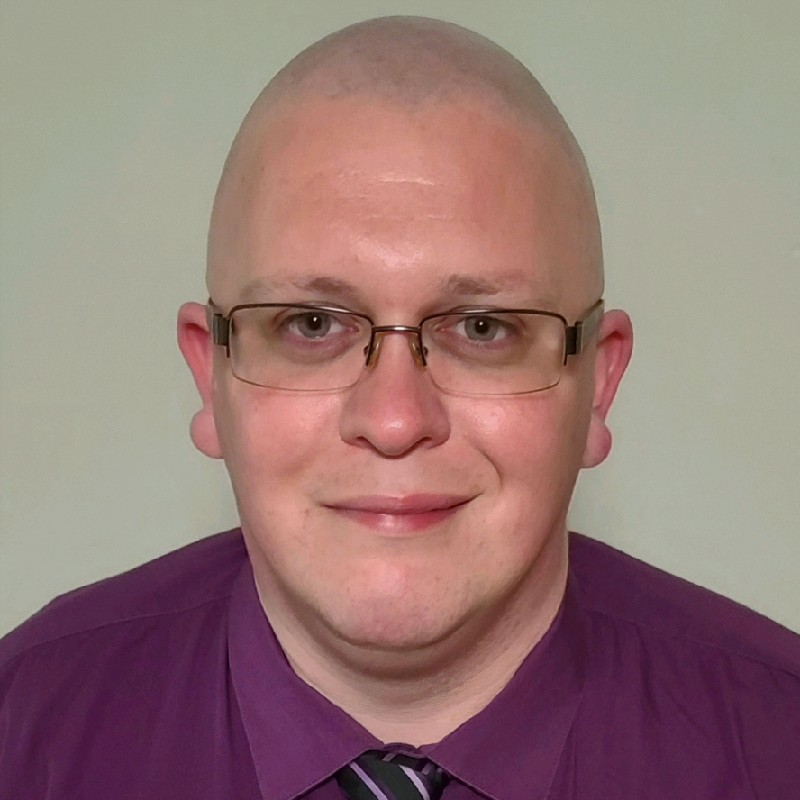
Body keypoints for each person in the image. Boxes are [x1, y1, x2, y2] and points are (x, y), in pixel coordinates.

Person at [1, 15, 798, 799]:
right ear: (212, 376)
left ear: (599, 382)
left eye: (482, 328)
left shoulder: (778, 744)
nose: (394, 421)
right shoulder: (21, 735)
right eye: (311, 325)